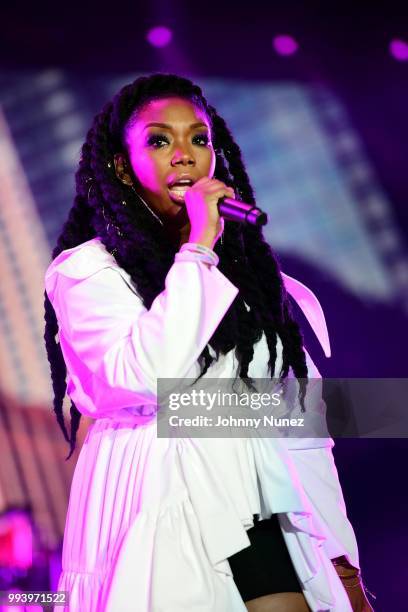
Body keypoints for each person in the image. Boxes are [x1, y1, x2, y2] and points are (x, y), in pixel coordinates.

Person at [44, 73, 374, 611]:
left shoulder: (251, 283)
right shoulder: (88, 271)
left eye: (199, 139)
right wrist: (197, 247)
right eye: (159, 140)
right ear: (122, 169)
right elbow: (143, 378)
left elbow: (301, 426)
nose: (184, 156)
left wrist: (341, 558)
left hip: (262, 503)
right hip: (164, 501)